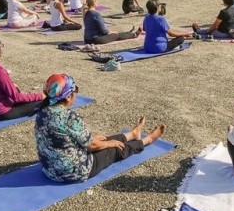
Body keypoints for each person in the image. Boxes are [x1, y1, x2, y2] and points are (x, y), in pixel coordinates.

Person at [35, 73, 166, 182]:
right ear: (68, 97)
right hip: (72, 172)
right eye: (75, 91)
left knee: (103, 140)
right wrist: (109, 143)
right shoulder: (68, 117)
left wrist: (100, 141)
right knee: (115, 149)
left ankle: (133, 134)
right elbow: (92, 146)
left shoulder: (42, 111)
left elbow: (67, 139)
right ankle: (146, 140)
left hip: (49, 169)